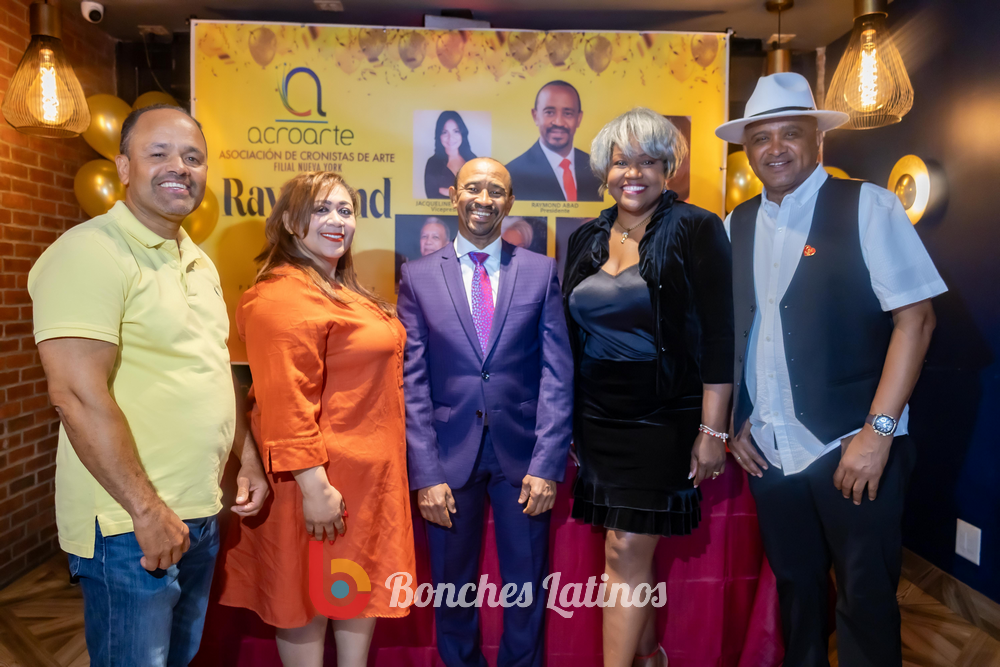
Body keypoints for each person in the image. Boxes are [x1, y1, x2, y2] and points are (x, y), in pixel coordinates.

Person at [716, 72, 946, 667]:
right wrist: (738, 420)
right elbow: (740, 330)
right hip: (770, 450)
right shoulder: (736, 222)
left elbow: (916, 321)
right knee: (797, 593)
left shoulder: (869, 205)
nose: (775, 148)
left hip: (851, 446)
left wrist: (878, 434)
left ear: (817, 138)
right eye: (760, 137)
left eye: (790, 133)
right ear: (747, 149)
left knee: (865, 599)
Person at [28, 104, 269, 667]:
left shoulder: (197, 261)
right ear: (123, 167)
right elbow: (75, 395)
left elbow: (211, 368)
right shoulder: (90, 251)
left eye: (193, 157)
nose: (179, 167)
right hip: (128, 525)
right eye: (158, 153)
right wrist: (146, 511)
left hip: (197, 513)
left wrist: (248, 458)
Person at [216, 171, 416, 667]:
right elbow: (285, 401)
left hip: (366, 483)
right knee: (304, 600)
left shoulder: (341, 291)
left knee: (355, 594)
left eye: (345, 211)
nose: (337, 220)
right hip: (318, 485)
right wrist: (314, 487)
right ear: (289, 222)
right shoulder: (280, 297)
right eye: (321, 209)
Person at [562, 107, 734, 666]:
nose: (632, 174)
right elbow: (569, 337)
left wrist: (713, 430)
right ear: (603, 171)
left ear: (668, 168)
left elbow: (719, 335)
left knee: (625, 547)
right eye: (621, 162)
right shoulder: (584, 237)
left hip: (663, 416)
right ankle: (650, 657)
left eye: (648, 162)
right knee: (622, 547)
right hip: (597, 418)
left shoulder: (696, 227)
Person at [397, 157, 573, 667]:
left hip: (523, 457)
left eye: (496, 191)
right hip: (448, 458)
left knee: (526, 589)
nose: (484, 199)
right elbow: (413, 381)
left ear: (510, 202)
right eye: (473, 188)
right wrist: (425, 473)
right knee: (452, 590)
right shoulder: (417, 276)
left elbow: (557, 372)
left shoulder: (540, 271)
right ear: (454, 195)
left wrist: (547, 464)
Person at [506, 80, 603, 202]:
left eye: (568, 113)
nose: (558, 122)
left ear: (579, 118)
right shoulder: (512, 174)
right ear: (535, 116)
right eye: (549, 112)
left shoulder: (597, 169)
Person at [425, 111, 477, 199]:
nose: (450, 138)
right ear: (439, 136)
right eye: (445, 132)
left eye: (456, 131)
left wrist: (446, 191)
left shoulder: (473, 160)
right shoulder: (432, 163)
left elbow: (480, 191)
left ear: (462, 134)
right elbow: (431, 194)